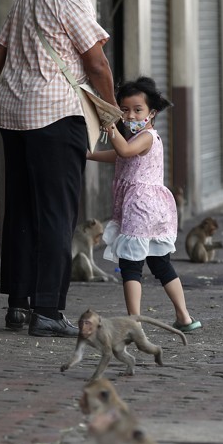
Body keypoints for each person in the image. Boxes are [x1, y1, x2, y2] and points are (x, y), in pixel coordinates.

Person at [0, 0, 121, 337]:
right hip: (55, 116)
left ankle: (19, 305)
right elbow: (96, 63)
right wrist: (112, 111)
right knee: (56, 215)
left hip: (15, 117)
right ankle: (49, 311)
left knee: (21, 210)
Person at [87, 77, 200, 332]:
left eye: (138, 110)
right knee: (160, 263)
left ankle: (134, 321)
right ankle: (184, 317)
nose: (130, 115)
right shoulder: (136, 138)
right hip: (151, 209)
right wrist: (88, 154)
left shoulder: (147, 136)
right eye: (124, 110)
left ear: (152, 113)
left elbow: (124, 151)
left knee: (130, 265)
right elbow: (119, 156)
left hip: (141, 208)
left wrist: (110, 126)